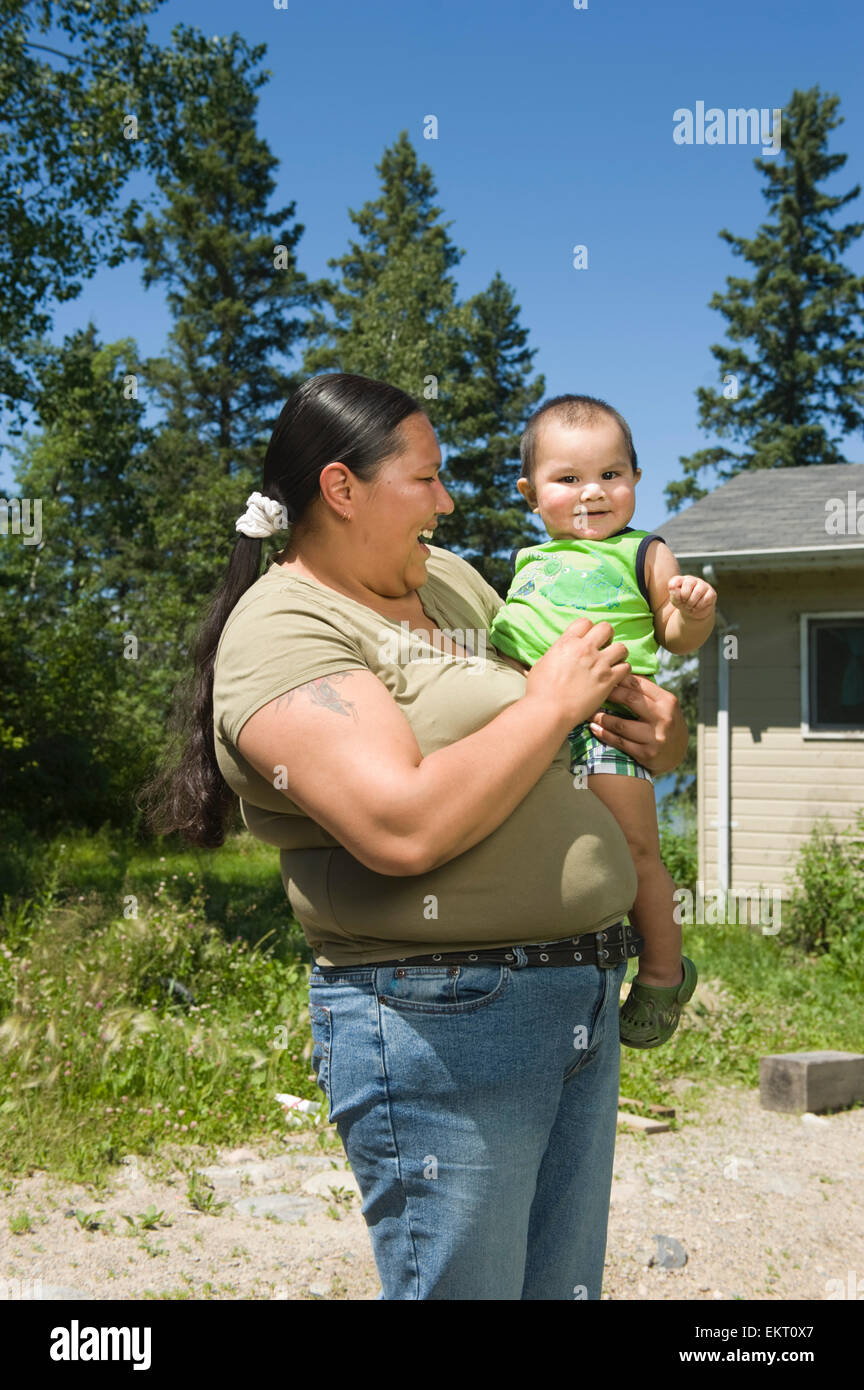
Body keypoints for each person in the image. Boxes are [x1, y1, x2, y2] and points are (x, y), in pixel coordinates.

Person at [146, 372, 689, 1300]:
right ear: (341, 489)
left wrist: (650, 736)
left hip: (576, 990)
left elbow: (561, 722)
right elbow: (400, 828)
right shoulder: (283, 630)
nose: (448, 500)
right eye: (427, 480)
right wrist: (554, 699)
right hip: (443, 1018)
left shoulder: (445, 580)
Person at [490, 395, 716, 1049]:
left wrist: (693, 611)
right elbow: (509, 647)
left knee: (638, 851)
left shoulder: (642, 551)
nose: (593, 493)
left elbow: (674, 636)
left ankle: (664, 972)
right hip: (532, 730)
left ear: (637, 480)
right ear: (531, 494)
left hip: (607, 726)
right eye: (568, 479)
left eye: (611, 475)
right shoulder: (528, 562)